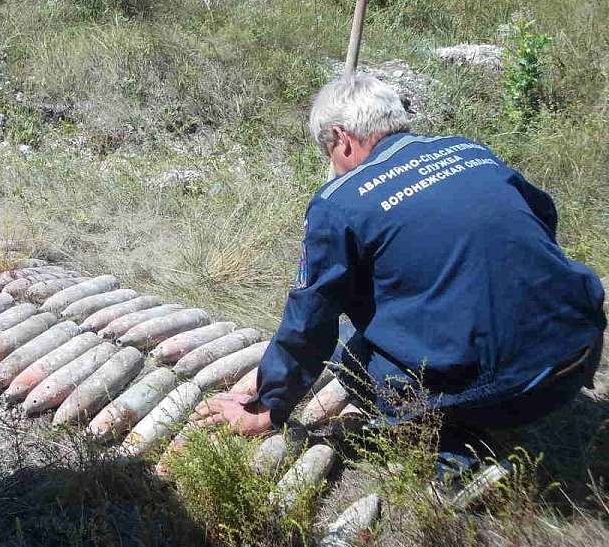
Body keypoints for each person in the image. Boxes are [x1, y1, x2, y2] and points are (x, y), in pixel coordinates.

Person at [191, 74, 606, 469]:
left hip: (506, 394)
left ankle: (460, 455)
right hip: (581, 349)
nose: (333, 165)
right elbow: (543, 220)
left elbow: (310, 321)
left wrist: (271, 406)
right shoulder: (468, 150)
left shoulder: (340, 202)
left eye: (328, 152)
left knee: (354, 360)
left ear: (341, 138)